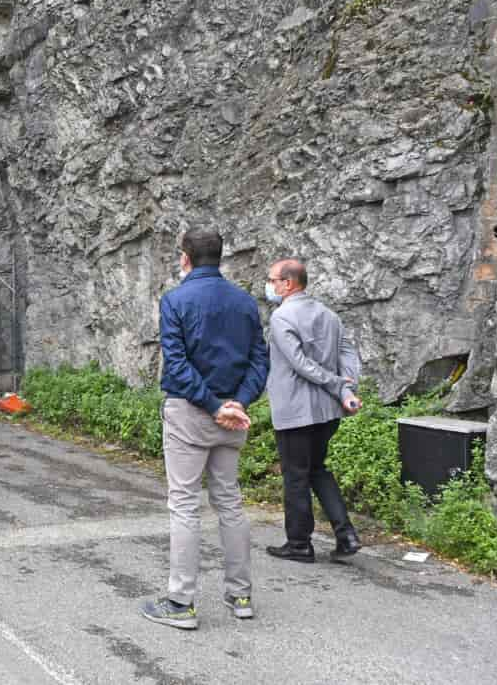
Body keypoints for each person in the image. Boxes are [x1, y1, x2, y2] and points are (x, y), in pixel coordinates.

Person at [141, 229, 269, 630]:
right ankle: (241, 595)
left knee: (184, 504)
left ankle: (181, 602)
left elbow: (177, 365)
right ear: (220, 257)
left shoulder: (176, 300)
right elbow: (259, 362)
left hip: (190, 412)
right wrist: (237, 404)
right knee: (229, 502)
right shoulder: (245, 301)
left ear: (185, 258)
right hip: (233, 413)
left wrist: (214, 406)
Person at [263, 258, 363, 564]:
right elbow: (348, 353)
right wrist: (345, 389)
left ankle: (299, 544)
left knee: (295, 476)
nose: (269, 286)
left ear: (288, 284)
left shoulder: (282, 318)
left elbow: (300, 364)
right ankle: (346, 535)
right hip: (326, 412)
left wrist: (336, 383)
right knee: (317, 469)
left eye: (272, 280)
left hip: (296, 411)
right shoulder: (328, 314)